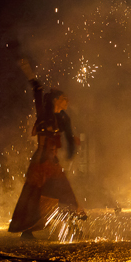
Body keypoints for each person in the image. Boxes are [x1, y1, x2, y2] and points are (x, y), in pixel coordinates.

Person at [9, 59, 85, 239]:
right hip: (40, 161)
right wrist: (28, 71)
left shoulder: (64, 119)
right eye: (64, 99)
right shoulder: (44, 113)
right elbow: (38, 90)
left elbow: (68, 137)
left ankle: (72, 227)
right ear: (57, 100)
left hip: (52, 161)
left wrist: (72, 149)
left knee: (63, 191)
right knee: (35, 196)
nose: (67, 101)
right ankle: (26, 231)